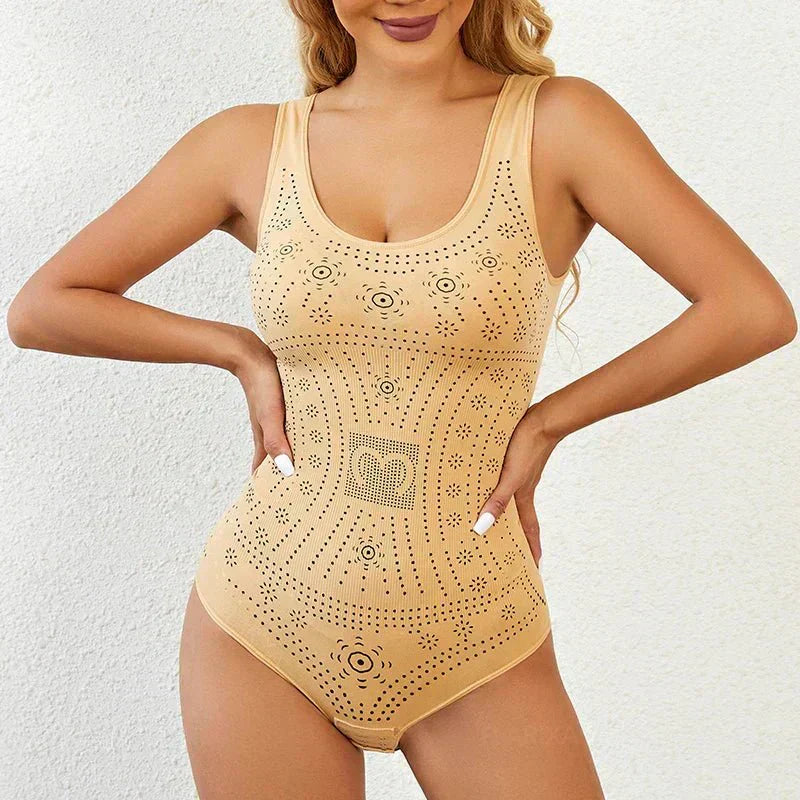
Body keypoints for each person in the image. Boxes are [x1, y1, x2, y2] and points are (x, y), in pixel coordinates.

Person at [7, 1, 796, 798]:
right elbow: (44, 307)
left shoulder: (559, 125)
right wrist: (236, 350)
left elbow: (750, 310)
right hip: (262, 614)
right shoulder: (248, 143)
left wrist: (548, 423)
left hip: (477, 629)